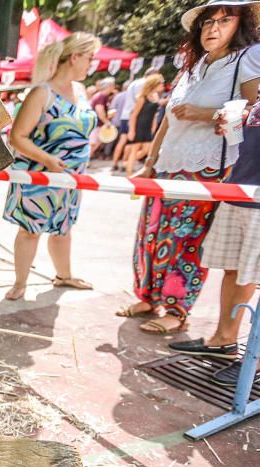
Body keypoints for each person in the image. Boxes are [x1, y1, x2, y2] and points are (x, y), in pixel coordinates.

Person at [118, 1, 259, 334]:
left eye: (224, 21)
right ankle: (149, 296)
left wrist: (203, 113)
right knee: (152, 235)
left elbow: (252, 112)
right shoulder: (192, 67)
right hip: (169, 162)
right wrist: (150, 163)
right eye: (207, 23)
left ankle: (176, 309)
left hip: (207, 167)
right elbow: (168, 120)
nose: (213, 28)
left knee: (186, 240)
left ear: (240, 25)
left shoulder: (247, 59)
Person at [170, 42, 260, 385]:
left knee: (251, 273)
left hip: (256, 196)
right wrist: (231, 124)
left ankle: (255, 358)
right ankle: (223, 340)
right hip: (240, 185)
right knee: (233, 270)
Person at [2, 33, 100, 301]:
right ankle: (20, 283)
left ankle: (64, 276)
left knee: (63, 229)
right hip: (39, 176)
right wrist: (47, 160)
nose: (93, 64)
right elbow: (17, 137)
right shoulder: (41, 93)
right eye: (90, 58)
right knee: (29, 230)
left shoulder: (80, 92)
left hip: (71, 178)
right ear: (75, 57)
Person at [112, 67, 163, 171]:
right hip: (136, 118)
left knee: (125, 143)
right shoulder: (144, 85)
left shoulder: (134, 82)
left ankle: (118, 164)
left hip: (127, 116)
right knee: (132, 145)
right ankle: (125, 165)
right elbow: (142, 103)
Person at [124, 73, 165, 176]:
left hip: (149, 127)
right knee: (135, 149)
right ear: (154, 84)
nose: (162, 85)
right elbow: (134, 115)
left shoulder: (155, 96)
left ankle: (128, 162)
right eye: (160, 83)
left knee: (147, 149)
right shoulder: (142, 97)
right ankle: (129, 172)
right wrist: (131, 130)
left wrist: (153, 128)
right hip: (139, 126)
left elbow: (155, 115)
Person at [88, 77, 117, 158]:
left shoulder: (101, 96)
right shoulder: (101, 96)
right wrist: (106, 122)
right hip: (97, 124)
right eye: (113, 85)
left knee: (95, 144)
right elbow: (99, 110)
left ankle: (86, 162)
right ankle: (84, 163)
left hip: (97, 124)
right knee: (93, 144)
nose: (114, 87)